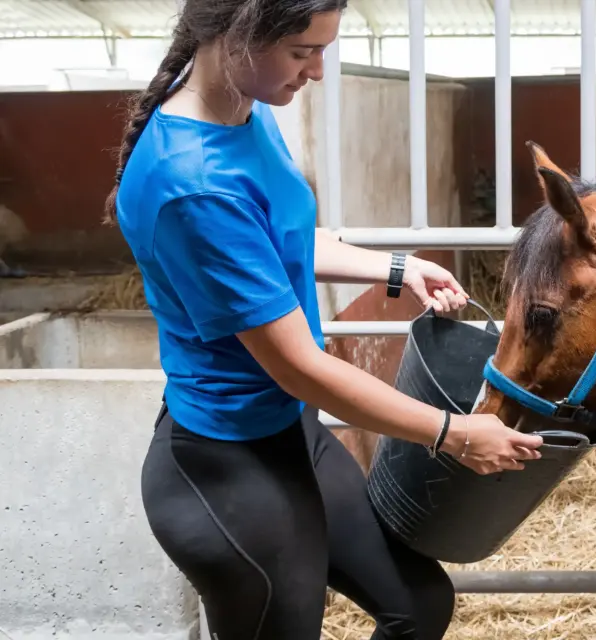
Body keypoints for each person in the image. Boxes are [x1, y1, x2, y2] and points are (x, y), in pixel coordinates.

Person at [103, 0, 544, 637]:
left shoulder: (239, 109)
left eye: (322, 51)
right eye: (302, 52)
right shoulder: (192, 180)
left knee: (417, 604)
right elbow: (302, 369)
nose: (315, 72)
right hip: (228, 462)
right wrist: (455, 432)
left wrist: (396, 268)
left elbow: (272, 243)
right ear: (235, 35)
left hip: (291, 435)